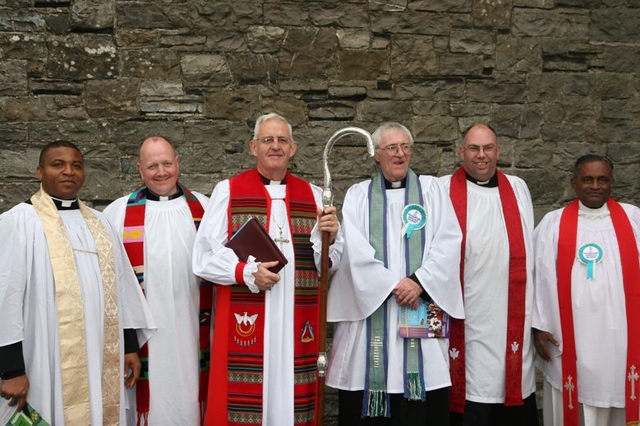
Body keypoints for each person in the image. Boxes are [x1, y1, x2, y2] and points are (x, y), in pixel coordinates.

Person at [192, 112, 342, 426]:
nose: (275, 146)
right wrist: (244, 272)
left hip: (295, 321)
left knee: (291, 398)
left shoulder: (314, 196)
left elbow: (327, 264)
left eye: (282, 140)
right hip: (246, 321)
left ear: (293, 148)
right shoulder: (229, 191)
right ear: (253, 147)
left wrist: (331, 237)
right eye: (267, 140)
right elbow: (204, 256)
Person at [0, 141, 155, 425]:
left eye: (76, 165)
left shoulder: (100, 222)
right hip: (43, 354)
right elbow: (5, 298)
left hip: (101, 353)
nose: (68, 172)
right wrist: (10, 370)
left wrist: (129, 346)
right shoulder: (17, 222)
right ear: (40, 171)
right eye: (58, 165)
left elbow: (123, 287)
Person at [326, 122, 464, 426]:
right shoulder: (358, 195)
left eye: (405, 147)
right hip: (371, 315)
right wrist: (392, 285)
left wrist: (418, 282)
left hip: (421, 306)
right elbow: (354, 249)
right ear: (377, 155)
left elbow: (449, 241)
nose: (400, 154)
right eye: (391, 148)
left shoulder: (432, 190)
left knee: (424, 399)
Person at [104, 136, 211, 425]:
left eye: (167, 163)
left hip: (194, 327)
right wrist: (127, 344)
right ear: (139, 170)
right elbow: (110, 284)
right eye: (152, 166)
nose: (161, 172)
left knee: (192, 399)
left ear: (178, 164)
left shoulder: (205, 207)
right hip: (144, 335)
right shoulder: (118, 213)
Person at [439, 124, 538, 425]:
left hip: (511, 320)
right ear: (461, 152)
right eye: (474, 148)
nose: (481, 156)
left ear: (498, 151)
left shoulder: (518, 188)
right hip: (465, 318)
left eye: (488, 148)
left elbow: (530, 257)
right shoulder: (442, 189)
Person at [533, 154, 640, 426]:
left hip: (622, 343)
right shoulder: (553, 224)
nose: (595, 186)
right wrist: (537, 327)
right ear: (574, 183)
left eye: (602, 179)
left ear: (612, 183)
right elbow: (535, 277)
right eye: (587, 179)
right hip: (570, 341)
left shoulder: (634, 220)